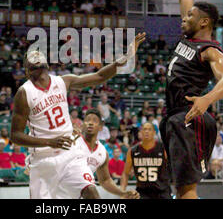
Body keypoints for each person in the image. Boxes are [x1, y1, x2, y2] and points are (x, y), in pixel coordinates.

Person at [10, 33, 146, 199]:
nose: (35, 54)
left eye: (38, 53)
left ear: (47, 63)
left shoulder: (62, 81)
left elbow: (100, 76)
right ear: (27, 69)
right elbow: (15, 135)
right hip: (42, 161)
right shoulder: (24, 93)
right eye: (31, 55)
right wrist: (49, 142)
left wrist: (127, 56)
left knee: (91, 191)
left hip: (69, 155)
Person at [160, 0, 223, 199]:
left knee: (186, 189)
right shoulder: (188, 38)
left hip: (189, 116)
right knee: (180, 189)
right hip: (174, 116)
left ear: (204, 22)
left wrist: (206, 100)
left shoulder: (210, 50)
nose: (184, 16)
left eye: (190, 15)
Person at [75, 109, 139, 199]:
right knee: (90, 188)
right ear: (82, 124)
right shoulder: (73, 140)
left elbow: (105, 180)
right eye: (87, 120)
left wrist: (122, 193)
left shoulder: (102, 152)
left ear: (101, 127)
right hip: (55, 192)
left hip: (77, 195)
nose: (90, 123)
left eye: (94, 121)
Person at [121, 122, 171, 199]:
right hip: (143, 192)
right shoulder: (133, 151)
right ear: (141, 132)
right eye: (144, 129)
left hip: (162, 191)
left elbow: (173, 167)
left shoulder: (163, 148)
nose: (147, 131)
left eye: (149, 129)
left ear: (154, 133)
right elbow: (125, 173)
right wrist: (122, 192)